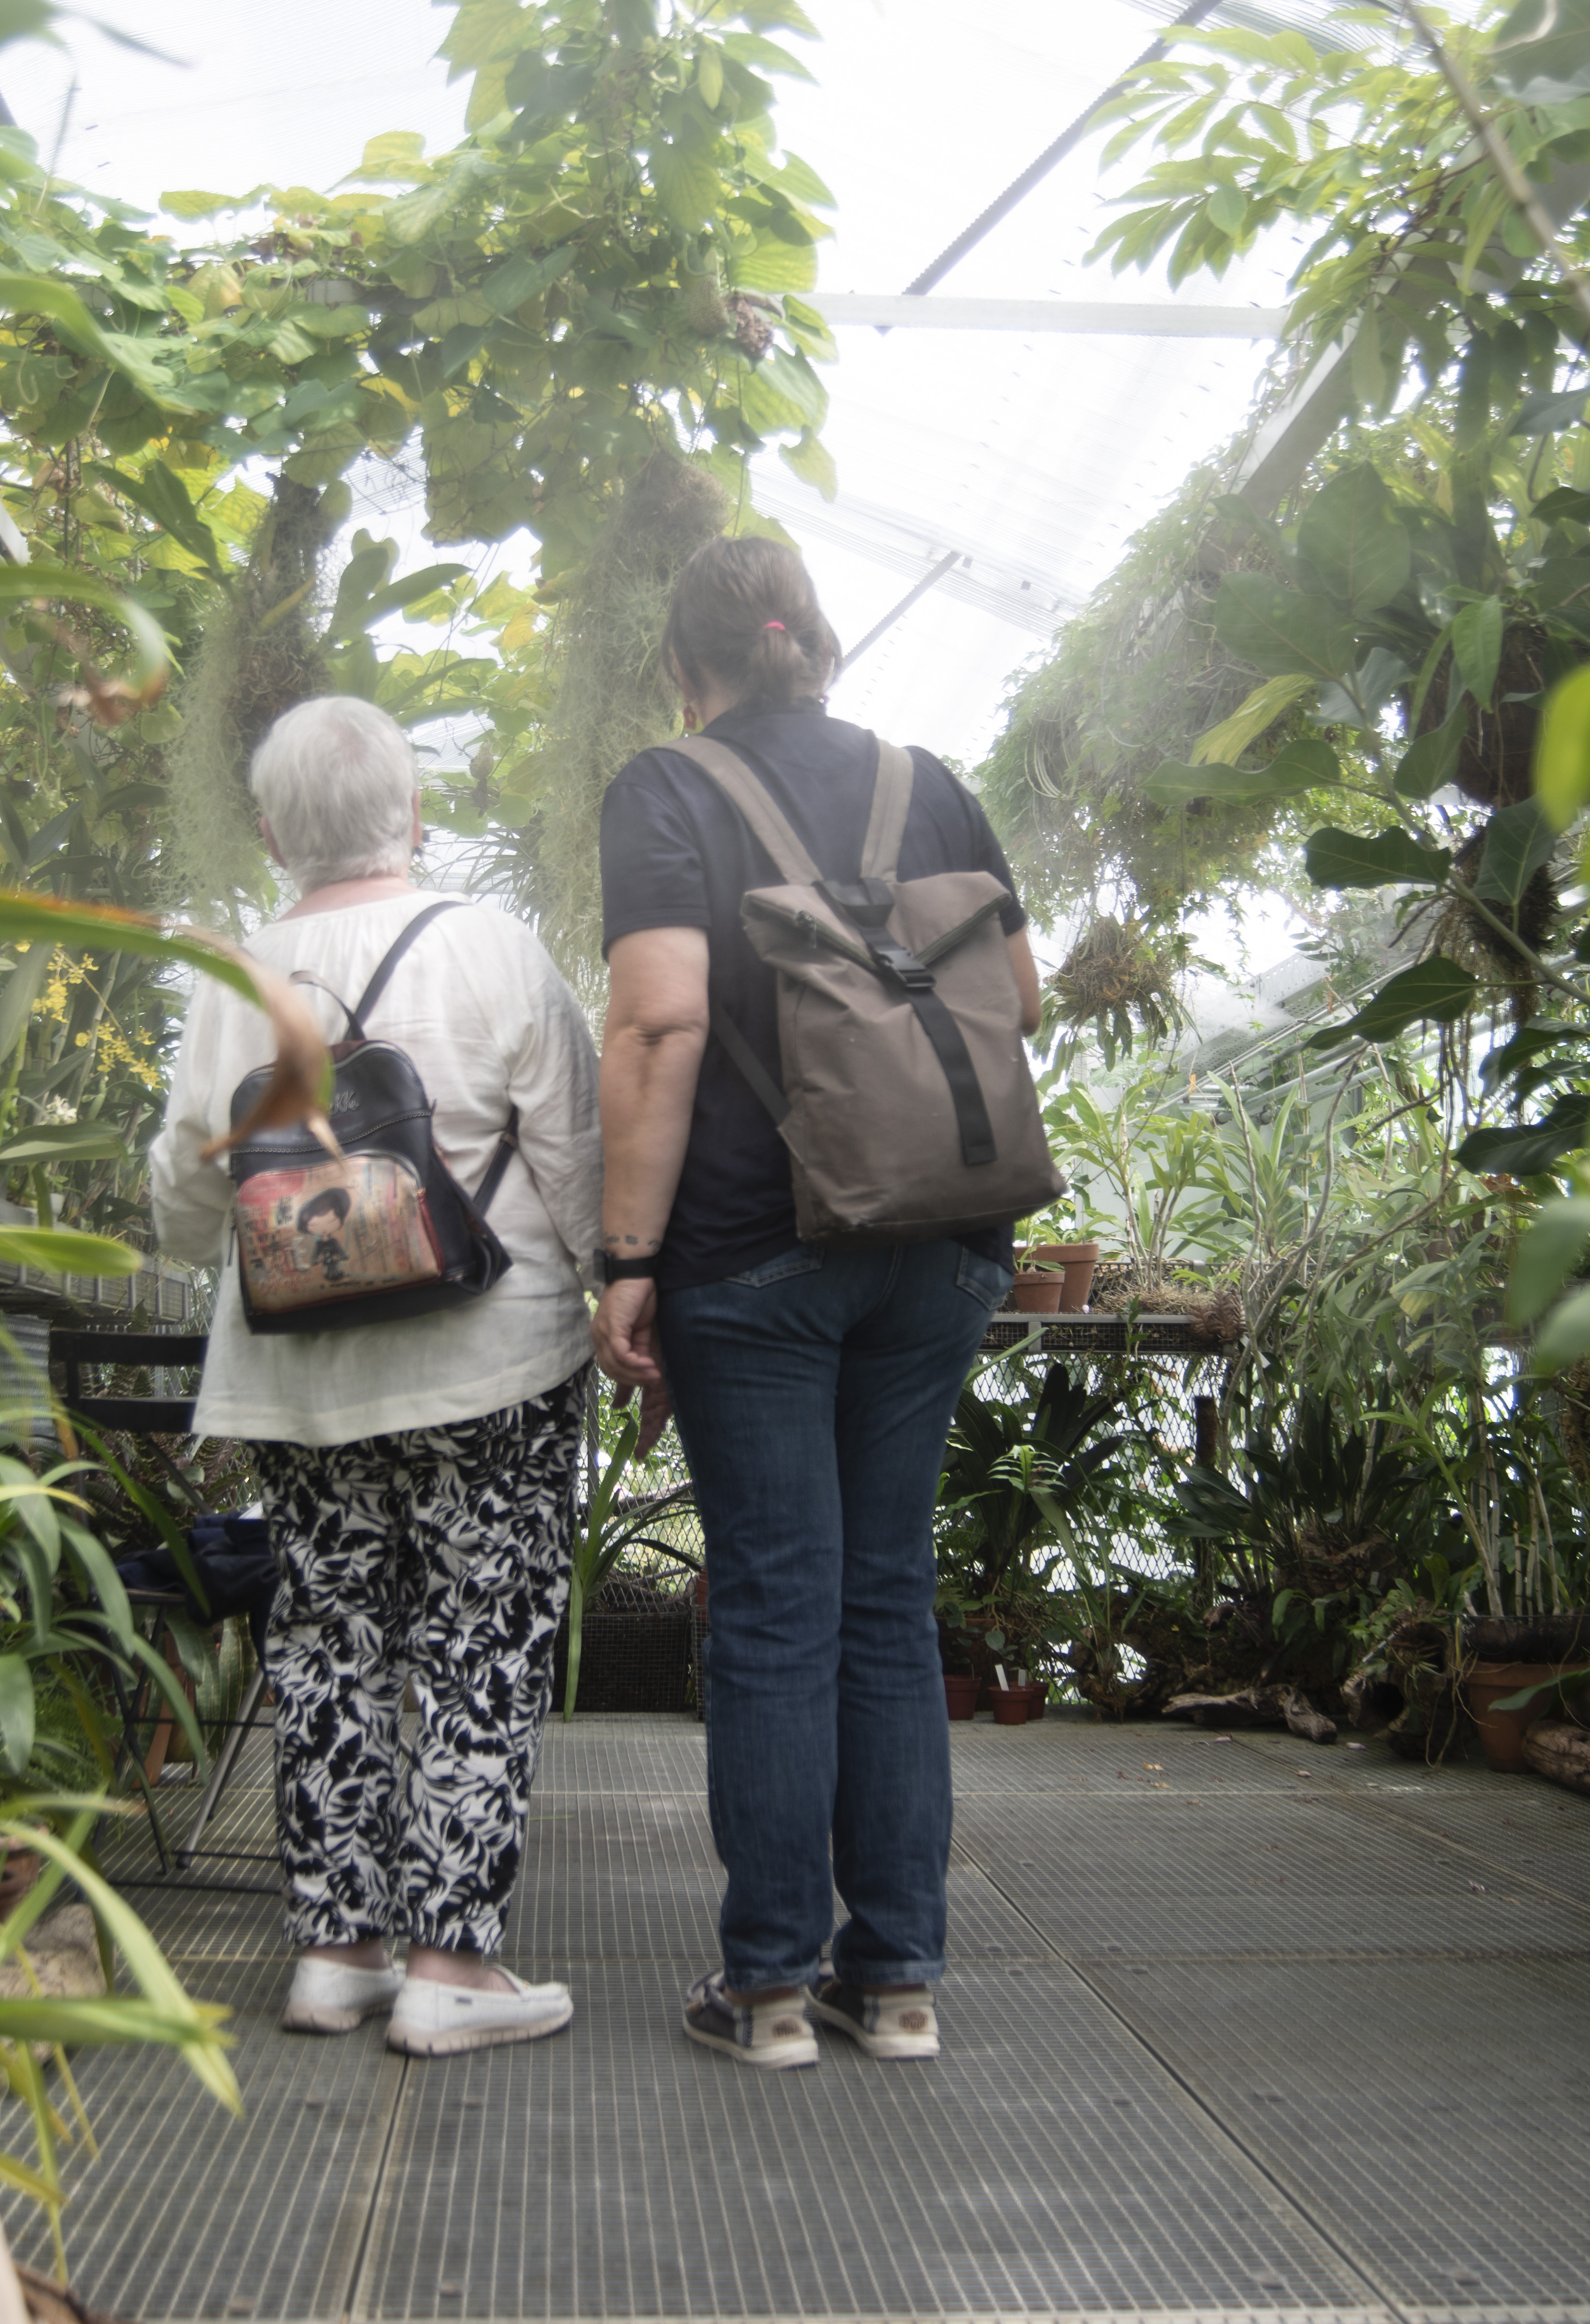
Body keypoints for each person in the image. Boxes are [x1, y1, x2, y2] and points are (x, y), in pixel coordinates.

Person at [586, 537, 1042, 2070]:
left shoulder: (667, 790)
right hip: (944, 1240)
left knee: (778, 1604)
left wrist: (626, 1260)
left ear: (683, 664)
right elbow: (1018, 1001)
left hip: (752, 1248)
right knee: (888, 1599)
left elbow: (659, 1022)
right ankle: (896, 1980)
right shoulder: (934, 781)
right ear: (821, 646)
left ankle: (770, 1986)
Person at [149, 694, 601, 2058]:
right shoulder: (493, 948)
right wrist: (619, 1293)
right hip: (495, 1365)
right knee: (482, 1640)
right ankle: (454, 1969)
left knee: (328, 1641)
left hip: (301, 1382)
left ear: (278, 830)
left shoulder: (233, 979)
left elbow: (182, 1199)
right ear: (414, 815)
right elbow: (575, 1155)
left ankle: (335, 1954)